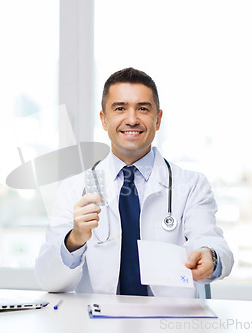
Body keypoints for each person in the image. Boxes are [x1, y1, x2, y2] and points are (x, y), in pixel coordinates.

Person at [34, 67, 233, 298]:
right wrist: (75, 239)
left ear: (157, 120)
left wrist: (211, 256)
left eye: (143, 109)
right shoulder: (74, 188)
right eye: (120, 108)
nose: (131, 119)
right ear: (104, 119)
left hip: (168, 323)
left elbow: (212, 242)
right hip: (98, 325)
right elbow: (49, 279)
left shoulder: (191, 185)